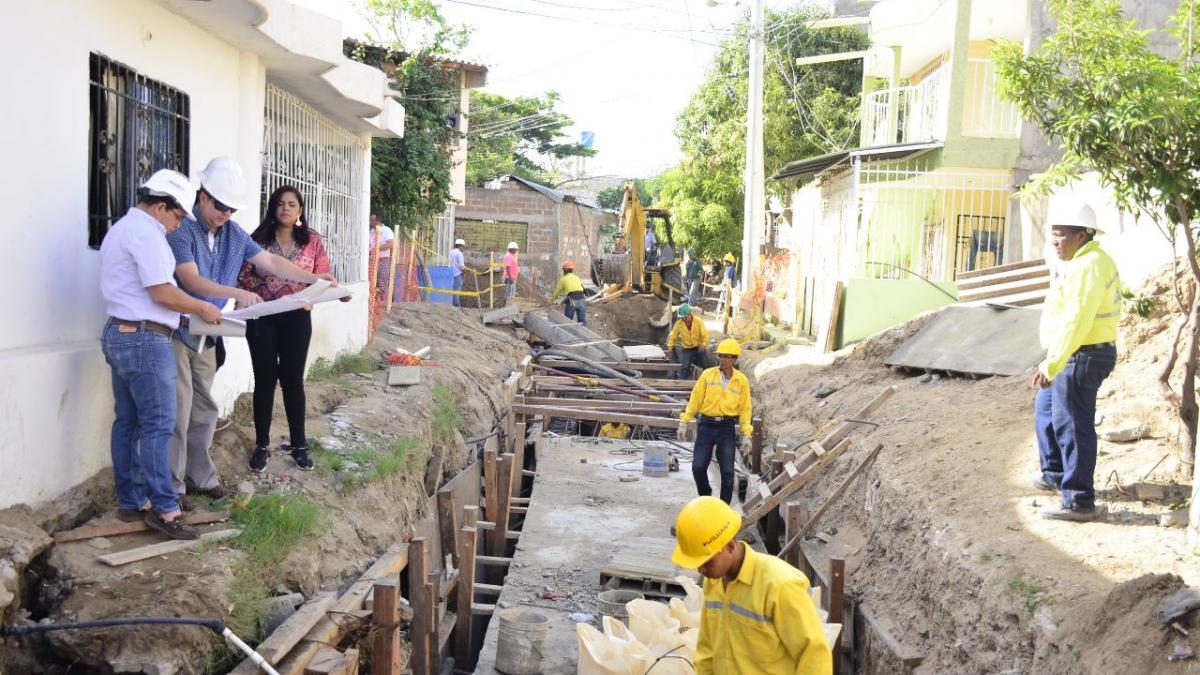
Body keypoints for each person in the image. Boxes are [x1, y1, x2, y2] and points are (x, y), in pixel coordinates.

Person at [167, 157, 336, 507]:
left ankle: (200, 476)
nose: (225, 214)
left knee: (204, 408)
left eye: (231, 208)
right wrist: (237, 293)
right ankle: (172, 488)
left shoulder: (234, 234)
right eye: (220, 206)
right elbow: (189, 279)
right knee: (178, 410)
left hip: (208, 333)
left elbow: (272, 262)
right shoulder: (183, 229)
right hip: (179, 328)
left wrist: (314, 280)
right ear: (202, 197)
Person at [99, 170, 223, 540]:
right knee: (159, 423)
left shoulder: (122, 228)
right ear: (159, 207)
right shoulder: (147, 235)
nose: (179, 223)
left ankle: (131, 501)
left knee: (129, 422)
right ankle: (165, 510)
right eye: (178, 215)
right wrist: (201, 307)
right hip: (144, 339)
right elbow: (163, 293)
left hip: (120, 332)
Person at [239, 186, 350, 474]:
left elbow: (323, 277)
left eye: (291, 204)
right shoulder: (257, 240)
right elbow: (243, 278)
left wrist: (336, 292)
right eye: (280, 204)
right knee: (264, 380)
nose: (285, 209)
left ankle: (299, 446)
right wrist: (254, 299)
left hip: (297, 319)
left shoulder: (312, 241)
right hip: (263, 318)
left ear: (300, 210)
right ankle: (261, 446)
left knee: (293, 381)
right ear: (273, 209)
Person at [672, 496, 832, 675]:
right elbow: (707, 648)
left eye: (707, 562)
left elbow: (814, 654)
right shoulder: (714, 581)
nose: (700, 570)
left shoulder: (779, 585)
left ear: (730, 546)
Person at [1032, 203, 1120, 522]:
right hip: (1074, 352)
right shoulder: (1082, 262)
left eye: (1060, 236)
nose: (1055, 241)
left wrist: (1052, 363)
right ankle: (1056, 474)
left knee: (1073, 423)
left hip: (1083, 353)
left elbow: (1077, 321)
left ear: (1081, 235)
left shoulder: (1089, 266)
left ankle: (1079, 500)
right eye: (1052, 235)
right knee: (1047, 410)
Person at [679, 339, 752, 503]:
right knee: (698, 467)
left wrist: (747, 434)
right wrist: (684, 421)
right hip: (706, 425)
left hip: (726, 427)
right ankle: (706, 498)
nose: (722, 359)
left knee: (727, 472)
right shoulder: (708, 374)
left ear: (734, 359)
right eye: (720, 356)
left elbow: (745, 408)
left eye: (726, 357)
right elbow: (695, 399)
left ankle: (723, 507)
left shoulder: (741, 381)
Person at [667, 303, 709, 380]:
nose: (684, 320)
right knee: (685, 368)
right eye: (682, 318)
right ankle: (682, 384)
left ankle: (708, 380)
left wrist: (704, 344)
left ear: (690, 314)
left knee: (705, 365)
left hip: (698, 347)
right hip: (687, 349)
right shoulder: (678, 324)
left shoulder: (698, 322)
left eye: (685, 317)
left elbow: (705, 335)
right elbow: (673, 337)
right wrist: (670, 346)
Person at [549, 260, 587, 326]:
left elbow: (556, 292)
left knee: (567, 321)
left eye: (563, 270)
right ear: (572, 270)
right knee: (582, 321)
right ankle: (583, 335)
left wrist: (550, 301)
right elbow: (582, 288)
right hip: (582, 300)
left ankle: (567, 335)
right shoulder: (576, 277)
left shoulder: (563, 279)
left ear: (565, 270)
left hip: (573, 300)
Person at [369, 214, 394, 301]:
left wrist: (377, 248)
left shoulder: (387, 230)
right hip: (372, 259)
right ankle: (374, 301)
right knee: (371, 280)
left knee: (382, 280)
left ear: (377, 221)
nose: (370, 222)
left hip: (383, 259)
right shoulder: (371, 231)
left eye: (371, 220)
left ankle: (381, 301)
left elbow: (390, 244)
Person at [450, 237, 467, 308]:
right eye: (463, 247)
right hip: (458, 273)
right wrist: (464, 272)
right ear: (460, 246)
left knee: (453, 289)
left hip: (451, 272)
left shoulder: (451, 252)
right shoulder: (459, 254)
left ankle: (453, 304)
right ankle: (456, 305)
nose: (463, 248)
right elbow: (462, 266)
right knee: (457, 289)